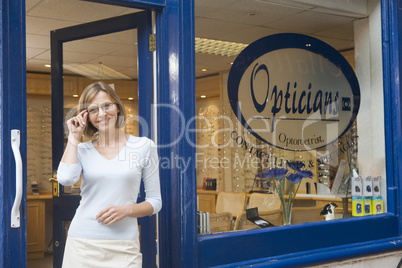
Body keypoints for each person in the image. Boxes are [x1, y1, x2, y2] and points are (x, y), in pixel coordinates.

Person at [57, 81, 162, 268]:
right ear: (86, 116)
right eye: (94, 110)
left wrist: (127, 210)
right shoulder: (81, 149)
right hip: (83, 243)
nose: (102, 114)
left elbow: (155, 201)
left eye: (107, 105)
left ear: (118, 108)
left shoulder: (144, 146)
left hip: (124, 245)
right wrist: (74, 136)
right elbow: (66, 178)